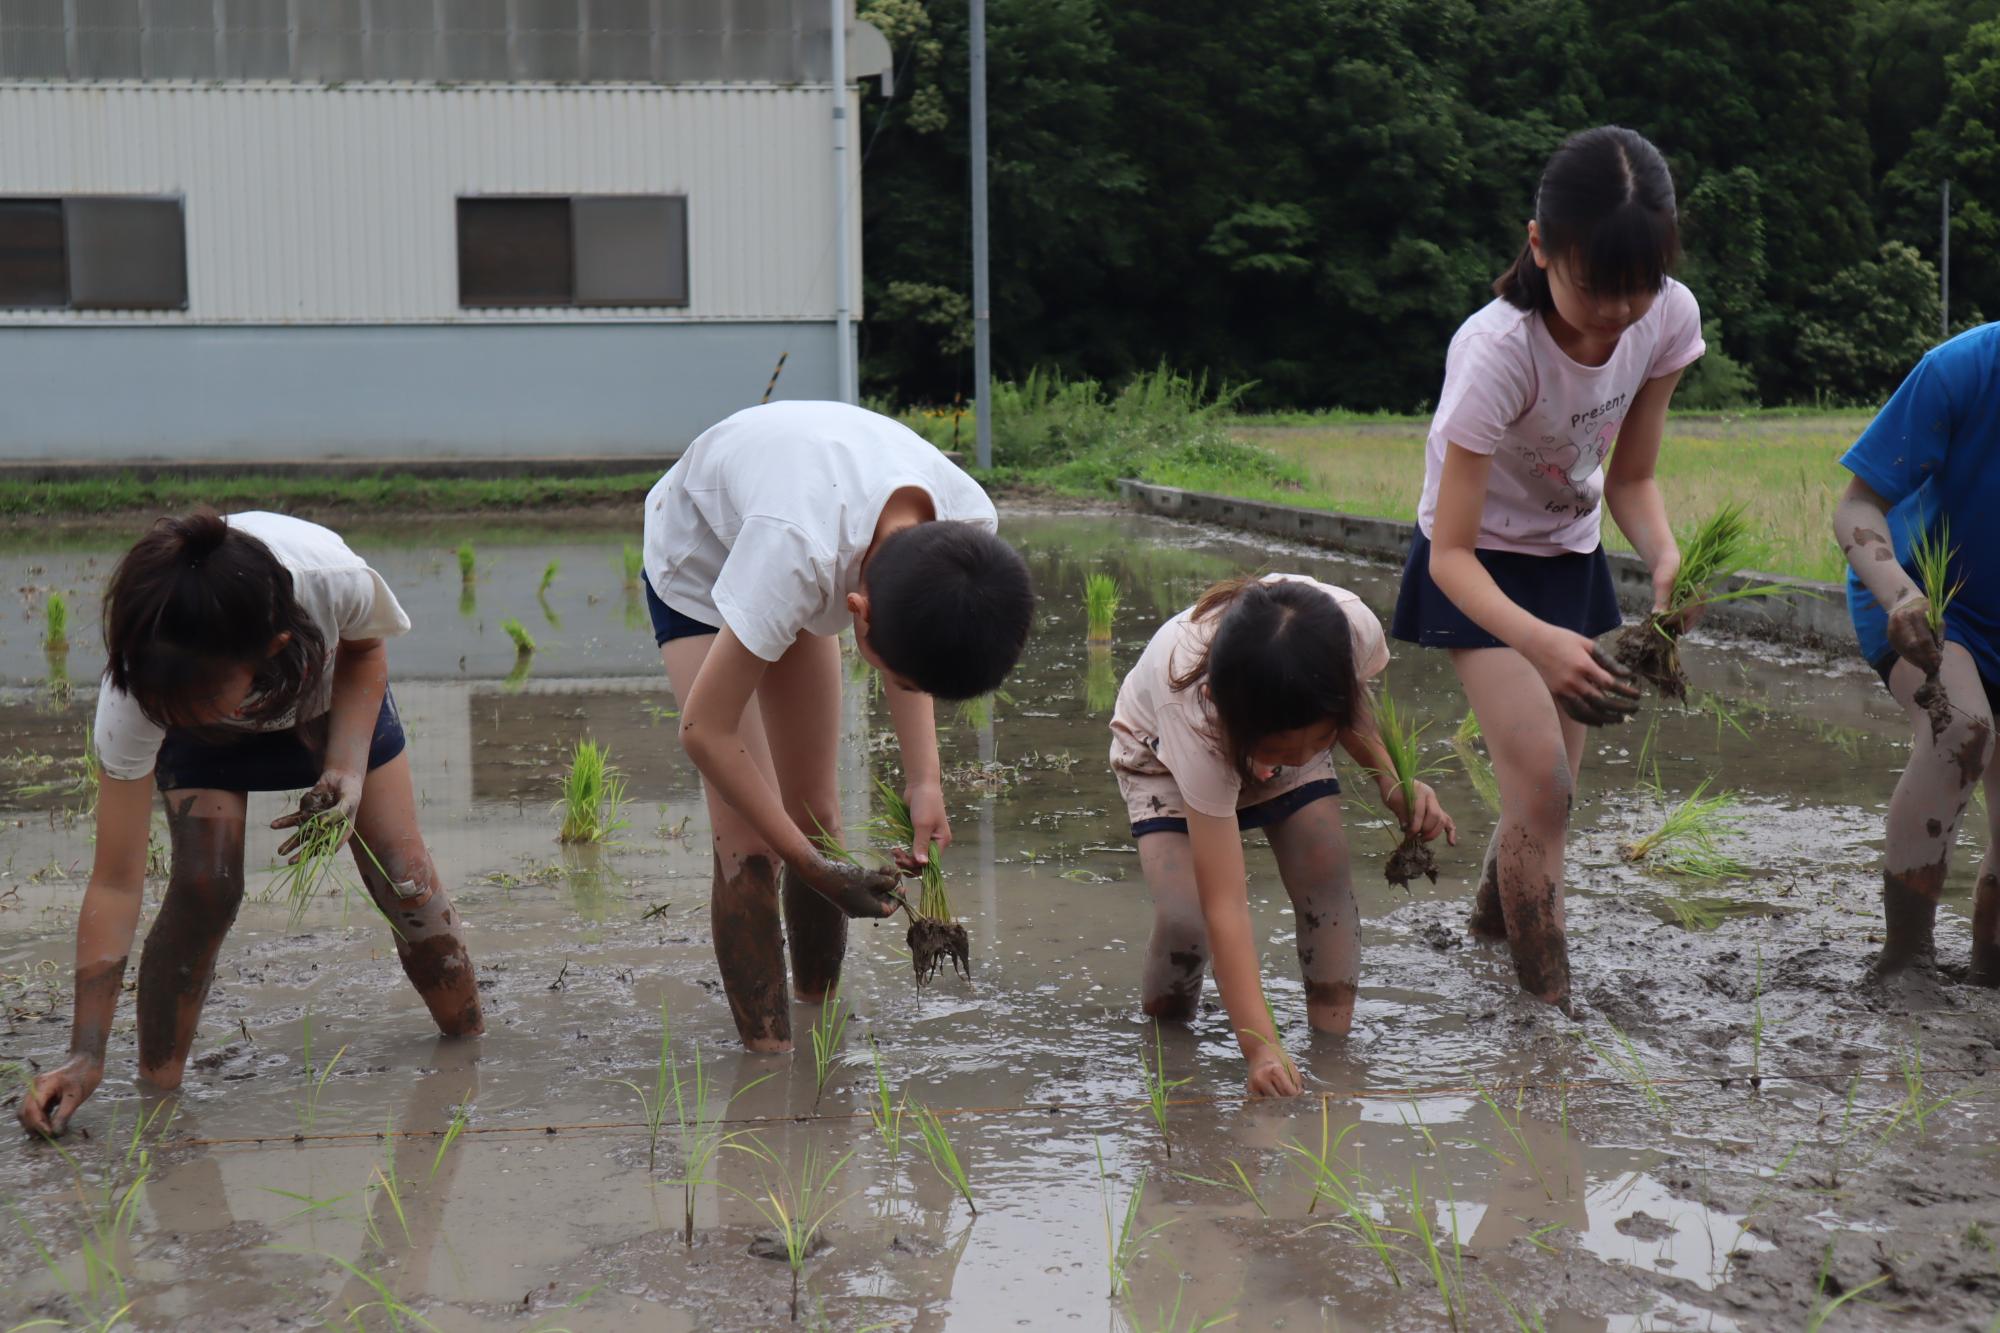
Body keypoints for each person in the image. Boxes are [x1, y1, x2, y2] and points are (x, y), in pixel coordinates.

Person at [18, 510, 481, 1137]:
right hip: (194, 721)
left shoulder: (329, 578)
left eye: (199, 702)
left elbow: (367, 647)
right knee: (205, 888)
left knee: (405, 879)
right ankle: (159, 1092)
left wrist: (346, 771)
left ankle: (469, 1049)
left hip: (330, 699)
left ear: (272, 649)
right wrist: (85, 1052)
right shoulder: (144, 694)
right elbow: (116, 880)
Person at [1390, 125, 1706, 1009]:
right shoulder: (1497, 352)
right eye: (1595, 288)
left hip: (1569, 557)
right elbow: (1449, 553)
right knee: (1544, 785)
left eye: (1636, 289)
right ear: (1540, 246)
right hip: (1478, 566)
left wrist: (1666, 552)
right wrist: (1542, 644)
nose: (1616, 311)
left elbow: (1632, 475)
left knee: (1547, 800)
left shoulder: (1667, 318)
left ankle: (1493, 931)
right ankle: (1547, 1017)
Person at [642, 400, 1034, 1051]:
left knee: (818, 812)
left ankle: (818, 1016)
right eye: (901, 679)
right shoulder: (794, 554)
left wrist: (925, 783)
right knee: (751, 845)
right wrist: (812, 867)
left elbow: (916, 645)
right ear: (858, 612)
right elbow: (705, 732)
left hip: (805, 518)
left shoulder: (967, 536)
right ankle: (768, 1063)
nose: (908, 689)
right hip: (703, 553)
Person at [1110, 574, 1456, 1098]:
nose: (1297, 760)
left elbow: (1348, 706)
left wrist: (1391, 781)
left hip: (1279, 720)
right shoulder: (1194, 710)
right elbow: (1226, 903)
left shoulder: (1351, 628)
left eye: (1317, 742)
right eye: (1284, 750)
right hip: (1162, 755)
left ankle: (1332, 1051)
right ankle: (1169, 1056)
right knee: (1188, 919)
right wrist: (1260, 1047)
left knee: (1326, 872)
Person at [1833, 321, 2000, 980]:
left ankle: (1990, 967)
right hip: (1925, 599)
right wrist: (1899, 594)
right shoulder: (1961, 369)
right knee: (1960, 725)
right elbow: (1857, 507)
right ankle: (1905, 961)